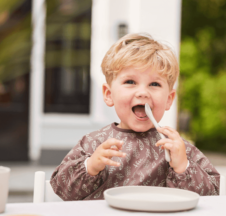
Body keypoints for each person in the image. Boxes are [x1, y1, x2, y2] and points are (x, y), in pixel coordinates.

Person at [50, 33, 220, 200]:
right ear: (109, 94)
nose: (143, 92)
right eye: (130, 82)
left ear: (169, 99)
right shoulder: (93, 143)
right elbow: (61, 189)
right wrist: (91, 166)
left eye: (154, 84)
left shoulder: (177, 148)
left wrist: (183, 166)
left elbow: (212, 195)